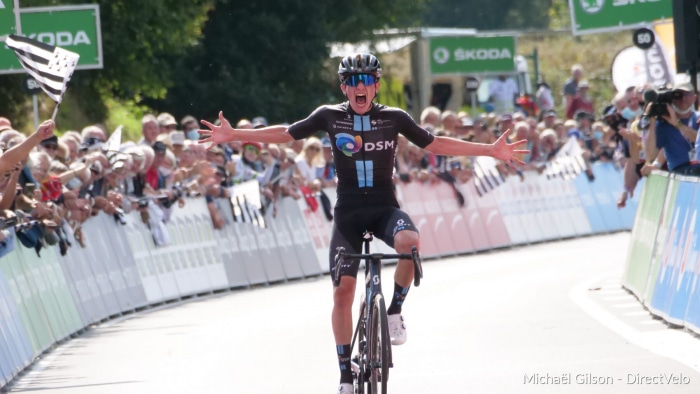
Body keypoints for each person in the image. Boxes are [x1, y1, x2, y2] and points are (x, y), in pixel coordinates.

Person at [198, 53, 528, 394]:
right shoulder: (329, 116)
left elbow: (436, 144)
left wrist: (490, 150)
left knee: (410, 242)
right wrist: (234, 134)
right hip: (349, 215)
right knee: (343, 293)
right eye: (353, 81)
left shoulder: (394, 118)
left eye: (366, 80)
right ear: (344, 87)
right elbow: (287, 133)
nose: (360, 87)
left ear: (376, 85)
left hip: (385, 208)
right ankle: (344, 373)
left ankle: (394, 311)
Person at [643, 82, 700, 175]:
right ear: (672, 99)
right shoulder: (663, 124)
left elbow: (698, 140)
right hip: (680, 173)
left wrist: (677, 124)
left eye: (687, 94)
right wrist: (652, 120)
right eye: (678, 95)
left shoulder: (698, 118)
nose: (683, 98)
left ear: (694, 98)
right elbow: (650, 155)